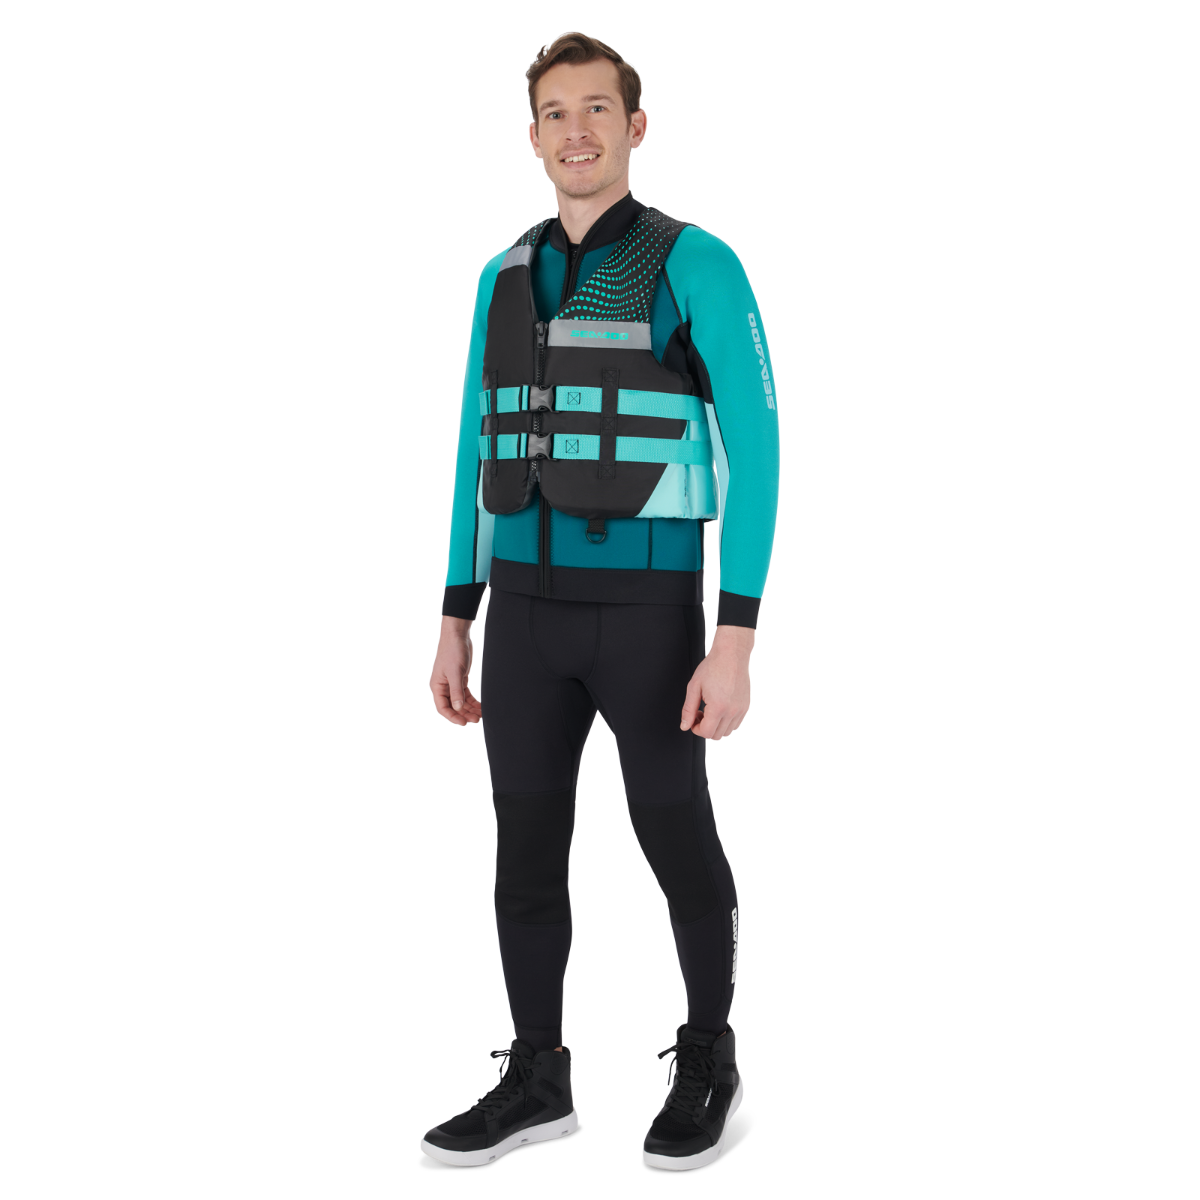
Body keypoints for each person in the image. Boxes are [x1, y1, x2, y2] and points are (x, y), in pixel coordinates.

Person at [422, 31, 779, 1172]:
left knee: (673, 829)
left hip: (649, 617)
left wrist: (736, 636)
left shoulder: (695, 261)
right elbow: (476, 446)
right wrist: (454, 617)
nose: (574, 130)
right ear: (532, 138)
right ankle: (539, 1077)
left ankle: (710, 1056)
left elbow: (760, 451)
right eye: (554, 113)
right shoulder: (502, 275)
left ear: (635, 126)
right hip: (522, 617)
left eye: (595, 109)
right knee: (523, 845)